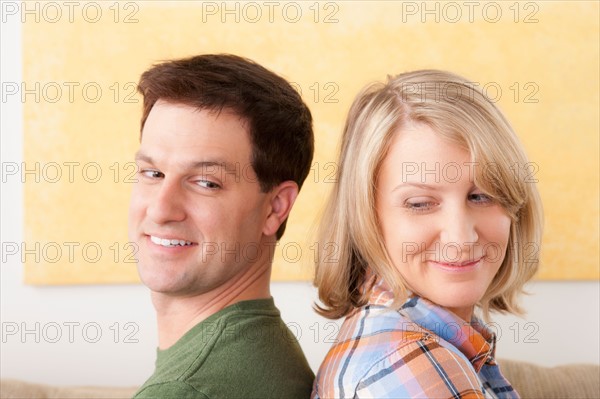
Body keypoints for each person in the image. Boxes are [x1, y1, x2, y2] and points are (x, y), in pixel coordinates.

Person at [312, 70, 543, 399]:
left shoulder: (436, 346)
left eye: (481, 196)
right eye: (420, 204)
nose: (461, 238)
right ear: (367, 216)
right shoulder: (409, 365)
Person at [128, 54, 315, 398]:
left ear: (275, 207)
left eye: (205, 182)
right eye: (153, 174)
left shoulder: (188, 388)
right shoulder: (265, 351)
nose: (160, 209)